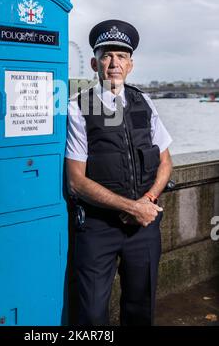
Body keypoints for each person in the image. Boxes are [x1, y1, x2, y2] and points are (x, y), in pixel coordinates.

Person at [65, 19, 173, 326]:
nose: (114, 63)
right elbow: (76, 181)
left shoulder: (144, 102)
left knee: (141, 307)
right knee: (91, 313)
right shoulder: (78, 108)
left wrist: (147, 202)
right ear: (94, 63)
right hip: (98, 228)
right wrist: (130, 207)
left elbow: (166, 163)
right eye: (107, 55)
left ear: (131, 64)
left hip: (144, 225)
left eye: (122, 56)